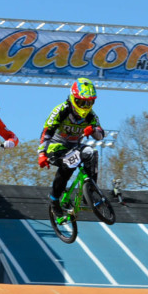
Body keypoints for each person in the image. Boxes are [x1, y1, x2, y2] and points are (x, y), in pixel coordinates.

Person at [37, 78, 105, 215]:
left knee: (92, 152)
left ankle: (90, 191)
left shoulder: (91, 116)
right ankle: (54, 200)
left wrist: (93, 130)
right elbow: (47, 132)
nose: (85, 106)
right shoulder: (61, 110)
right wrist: (42, 153)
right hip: (56, 147)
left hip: (75, 147)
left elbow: (101, 135)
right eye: (81, 102)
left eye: (89, 103)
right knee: (69, 164)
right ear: (73, 99)